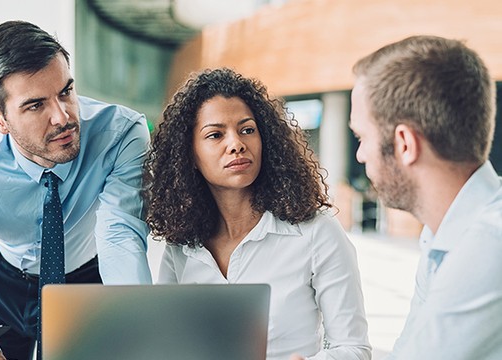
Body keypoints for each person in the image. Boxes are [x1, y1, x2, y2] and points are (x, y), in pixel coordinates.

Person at [143, 68, 371, 360]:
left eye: (247, 129)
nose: (236, 144)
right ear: (190, 156)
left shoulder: (316, 231)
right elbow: (168, 342)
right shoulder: (182, 246)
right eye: (215, 135)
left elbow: (354, 349)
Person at [0, 21, 152, 360]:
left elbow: (120, 237)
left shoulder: (121, 133)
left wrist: (139, 324)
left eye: (65, 92)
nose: (63, 117)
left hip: (86, 278)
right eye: (36, 105)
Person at [348, 35, 502, 359]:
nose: (361, 155)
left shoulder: (488, 245)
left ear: (404, 143)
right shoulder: (441, 235)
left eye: (362, 137)